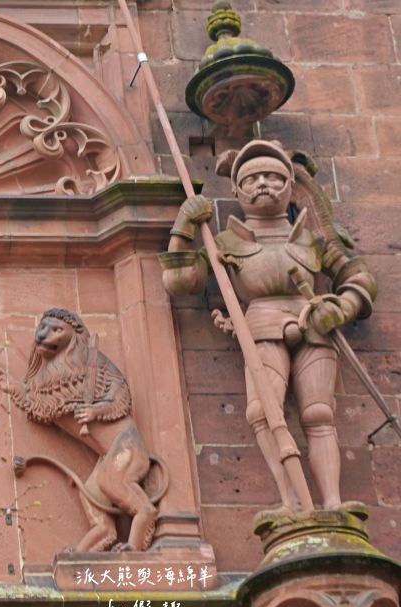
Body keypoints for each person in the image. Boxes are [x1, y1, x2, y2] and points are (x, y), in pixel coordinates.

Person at [160, 140, 376, 510]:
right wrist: (183, 227)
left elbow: (359, 278)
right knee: (264, 412)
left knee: (319, 413)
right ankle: (291, 500)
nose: (264, 184)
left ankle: (333, 502)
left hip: (314, 324)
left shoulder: (312, 239)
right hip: (259, 326)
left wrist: (342, 306)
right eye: (254, 177)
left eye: (274, 177)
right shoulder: (225, 241)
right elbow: (180, 281)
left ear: (290, 186)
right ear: (237, 189)